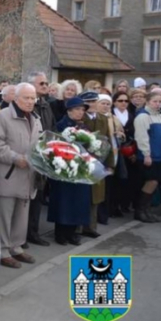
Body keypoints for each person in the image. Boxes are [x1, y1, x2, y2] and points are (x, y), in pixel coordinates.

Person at [0, 83, 43, 269]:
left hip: (28, 176)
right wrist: (15, 158)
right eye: (26, 97)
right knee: (5, 215)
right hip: (9, 175)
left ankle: (16, 247)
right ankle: (1, 250)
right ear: (15, 98)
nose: (30, 101)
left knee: (21, 215)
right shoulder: (2, 117)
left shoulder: (36, 118)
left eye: (33, 98)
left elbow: (40, 144)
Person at [48, 97, 92, 245]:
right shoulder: (61, 125)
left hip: (80, 168)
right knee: (64, 201)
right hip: (64, 169)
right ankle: (60, 233)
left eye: (82, 110)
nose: (81, 112)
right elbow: (54, 144)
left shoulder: (84, 126)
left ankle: (72, 232)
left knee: (78, 201)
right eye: (78, 109)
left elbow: (90, 143)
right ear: (69, 110)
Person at [26, 72, 54, 247]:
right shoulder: (28, 106)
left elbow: (52, 127)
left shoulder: (46, 105)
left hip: (44, 155)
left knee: (39, 195)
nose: (45, 86)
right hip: (29, 155)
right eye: (41, 83)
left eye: (46, 83)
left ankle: (33, 232)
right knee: (27, 198)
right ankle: (23, 235)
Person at [133, 89, 161, 223]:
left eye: (160, 101)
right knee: (151, 181)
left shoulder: (160, 116)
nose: (158, 104)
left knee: (155, 182)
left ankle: (147, 210)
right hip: (150, 156)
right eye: (155, 101)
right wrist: (146, 154)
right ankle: (140, 210)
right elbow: (141, 137)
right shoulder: (143, 116)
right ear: (148, 102)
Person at [80, 91, 113, 236]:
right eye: (88, 102)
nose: (92, 105)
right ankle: (78, 228)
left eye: (94, 101)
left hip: (99, 161)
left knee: (96, 197)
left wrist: (110, 164)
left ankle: (91, 227)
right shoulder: (80, 118)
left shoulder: (103, 119)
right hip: (82, 162)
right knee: (83, 196)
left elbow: (108, 141)